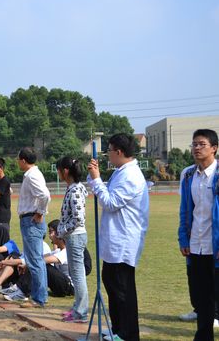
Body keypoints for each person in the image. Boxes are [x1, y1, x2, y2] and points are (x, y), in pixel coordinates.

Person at [87, 133, 149, 341]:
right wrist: (94, 176)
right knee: (111, 282)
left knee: (122, 288)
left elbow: (111, 202)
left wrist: (96, 179)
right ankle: (117, 328)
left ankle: (128, 333)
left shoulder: (131, 175)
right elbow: (102, 191)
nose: (108, 156)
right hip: (114, 238)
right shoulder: (121, 172)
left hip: (124, 239)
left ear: (119, 152)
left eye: (109, 151)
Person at [178, 129, 219, 340]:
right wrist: (183, 238)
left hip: (216, 246)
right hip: (197, 245)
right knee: (202, 299)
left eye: (201, 144)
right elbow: (185, 210)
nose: (196, 148)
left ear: (214, 148)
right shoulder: (188, 174)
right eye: (194, 144)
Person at [16, 147, 51, 308]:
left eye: (18, 159)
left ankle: (38, 298)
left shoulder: (32, 176)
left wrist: (40, 212)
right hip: (29, 219)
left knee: (35, 260)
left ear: (23, 160)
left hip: (31, 220)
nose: (17, 162)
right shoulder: (33, 174)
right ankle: (40, 296)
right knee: (36, 260)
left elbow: (44, 195)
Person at [57, 156, 89, 323]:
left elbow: (78, 218)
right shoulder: (74, 188)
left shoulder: (76, 190)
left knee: (77, 275)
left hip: (75, 236)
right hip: (73, 236)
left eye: (59, 170)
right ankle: (77, 307)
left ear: (66, 171)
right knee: (75, 273)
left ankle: (81, 312)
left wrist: (61, 230)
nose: (58, 173)